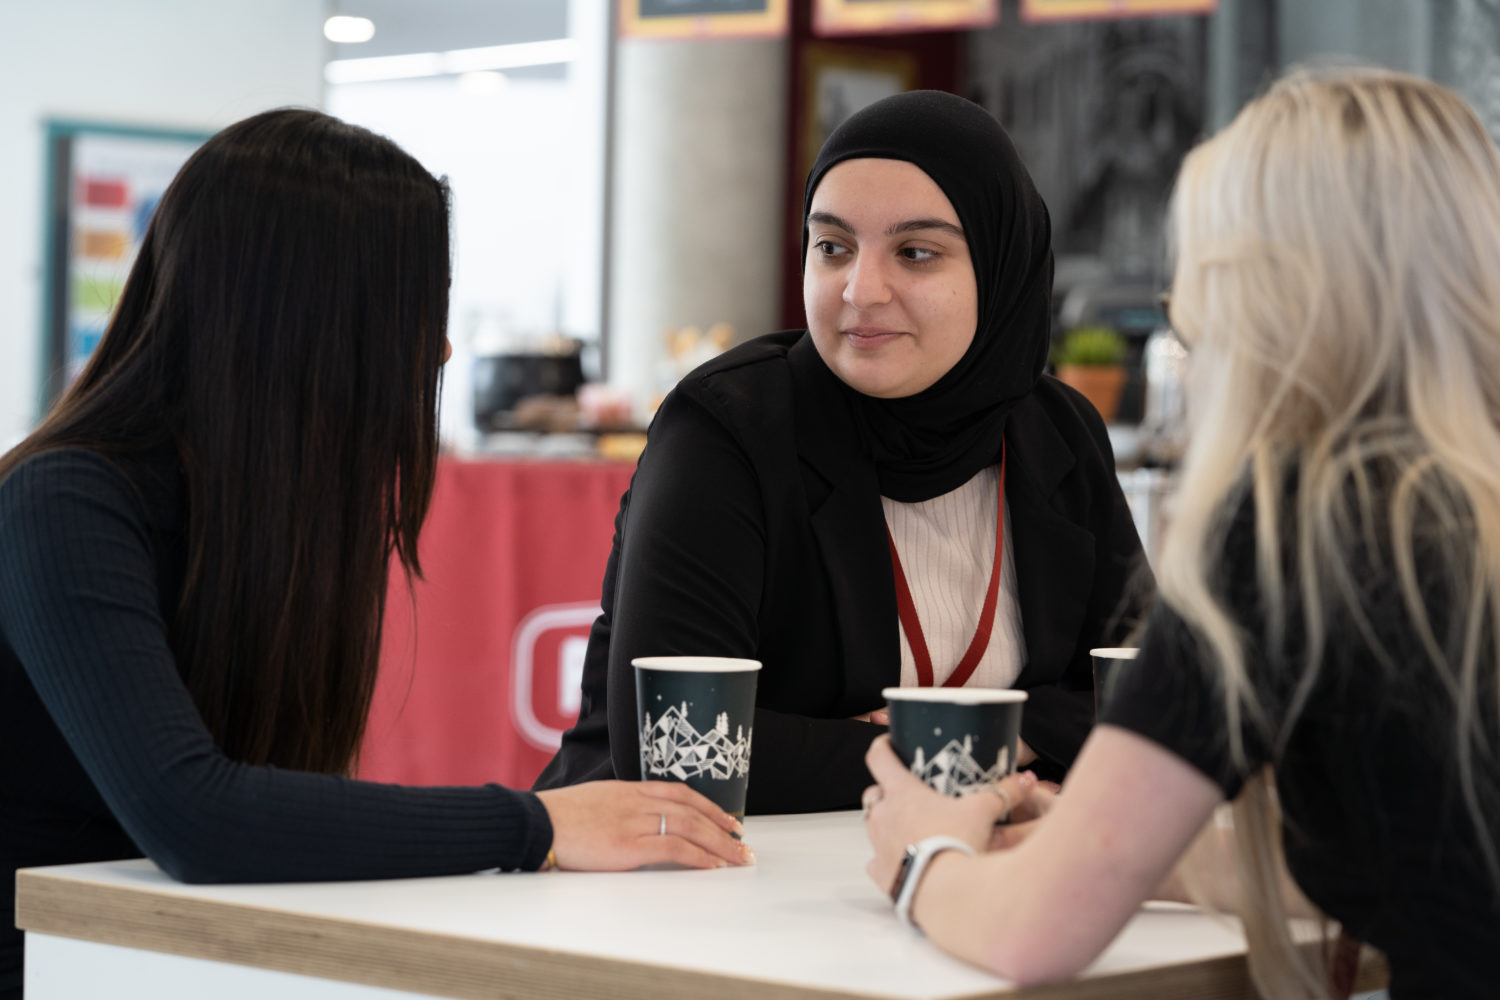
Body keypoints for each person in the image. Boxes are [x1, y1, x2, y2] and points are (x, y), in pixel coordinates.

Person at [0, 109, 750, 1000]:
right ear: (307, 324)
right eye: (411, 310)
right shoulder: (65, 500)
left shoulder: (269, 513)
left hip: (169, 959)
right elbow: (194, 816)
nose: (435, 348)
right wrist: (535, 825)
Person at [862, 68, 1500, 999]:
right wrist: (1113, 846)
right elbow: (1416, 854)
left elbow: (1033, 934)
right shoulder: (1452, 508)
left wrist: (923, 859)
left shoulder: (1303, 528)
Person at [536, 90, 1150, 813]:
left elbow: (1150, 694)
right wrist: (1007, 747)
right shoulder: (727, 430)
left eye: (916, 253)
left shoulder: (1058, 433)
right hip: (676, 883)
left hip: (961, 878)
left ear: (1001, 267)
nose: (861, 290)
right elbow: (680, 745)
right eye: (833, 248)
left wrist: (898, 745)